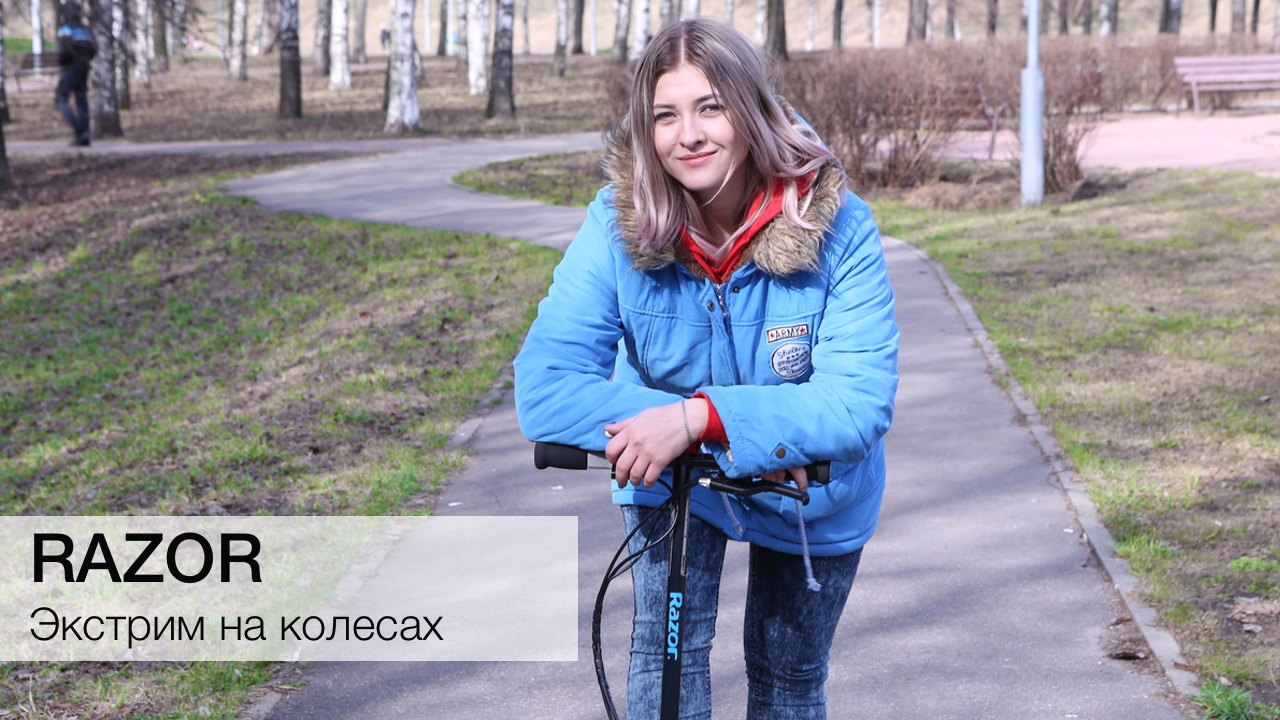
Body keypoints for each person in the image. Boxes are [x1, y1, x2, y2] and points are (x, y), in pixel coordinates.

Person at [514, 18, 898, 720]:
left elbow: (857, 403)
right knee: (666, 664)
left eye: (710, 107)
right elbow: (544, 390)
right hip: (676, 481)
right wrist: (688, 435)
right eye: (665, 115)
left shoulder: (838, 224)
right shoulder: (617, 224)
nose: (687, 135)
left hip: (811, 490)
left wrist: (698, 417)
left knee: (788, 679)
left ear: (749, 111)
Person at [55, 1, 96, 147]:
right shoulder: (85, 29)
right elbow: (93, 49)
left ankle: (79, 131)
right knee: (81, 100)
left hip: (70, 69)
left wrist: (60, 60)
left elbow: (65, 52)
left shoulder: (65, 29)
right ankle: (85, 133)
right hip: (84, 68)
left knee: (61, 98)